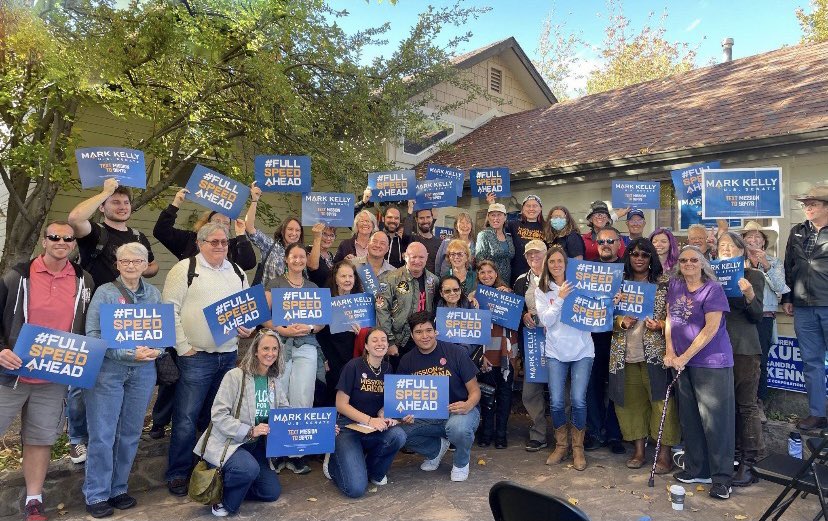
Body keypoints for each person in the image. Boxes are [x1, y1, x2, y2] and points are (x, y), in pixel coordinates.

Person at [0, 221, 93, 521]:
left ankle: (34, 500)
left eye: (68, 238)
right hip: (11, 372)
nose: (61, 242)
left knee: (39, 439)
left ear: (73, 244)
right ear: (44, 241)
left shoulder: (83, 280)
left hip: (53, 375)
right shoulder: (17, 276)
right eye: (54, 237)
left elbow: (87, 325)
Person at [67, 178, 158, 460]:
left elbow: (153, 265)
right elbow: (74, 218)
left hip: (130, 315)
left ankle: (114, 431)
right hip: (96, 306)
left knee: (123, 372)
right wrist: (104, 190)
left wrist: (138, 269)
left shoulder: (139, 237)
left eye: (125, 202)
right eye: (114, 202)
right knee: (86, 373)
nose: (121, 206)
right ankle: (78, 437)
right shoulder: (95, 231)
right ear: (104, 207)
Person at [162, 223, 253, 497]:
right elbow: (169, 309)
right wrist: (182, 347)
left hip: (227, 357)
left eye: (224, 242)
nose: (220, 246)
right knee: (186, 418)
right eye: (214, 242)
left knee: (216, 417)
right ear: (200, 242)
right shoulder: (185, 269)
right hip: (195, 357)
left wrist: (246, 328)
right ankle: (178, 472)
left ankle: (208, 465)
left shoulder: (236, 271)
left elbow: (246, 309)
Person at [82, 243, 163, 518]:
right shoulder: (104, 293)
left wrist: (158, 350)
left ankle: (118, 488)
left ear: (145, 265)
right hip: (109, 371)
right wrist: (127, 352)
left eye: (136, 261)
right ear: (117, 265)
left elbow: (163, 333)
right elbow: (93, 333)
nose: (130, 265)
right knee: (103, 434)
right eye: (125, 261)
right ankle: (97, 493)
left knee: (129, 434)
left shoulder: (153, 294)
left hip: (142, 372)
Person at [664, 245, 735, 500]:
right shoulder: (675, 285)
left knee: (716, 422)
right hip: (683, 363)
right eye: (684, 260)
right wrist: (671, 351)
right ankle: (697, 469)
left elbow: (711, 328)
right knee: (690, 418)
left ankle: (723, 478)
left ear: (703, 263)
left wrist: (684, 356)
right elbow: (670, 319)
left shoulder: (713, 289)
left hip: (711, 362)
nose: (689, 264)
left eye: (694, 260)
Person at [194, 329, 289, 517]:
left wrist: (320, 428)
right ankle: (226, 502)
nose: (270, 353)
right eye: (265, 349)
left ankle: (236, 485)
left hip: (258, 448)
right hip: (232, 443)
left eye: (275, 349)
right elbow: (219, 415)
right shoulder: (235, 376)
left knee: (271, 492)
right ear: (255, 351)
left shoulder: (274, 380)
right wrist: (250, 431)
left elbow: (285, 411)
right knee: (247, 469)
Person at [608, 238, 677, 474]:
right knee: (630, 404)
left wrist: (661, 324)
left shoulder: (665, 283)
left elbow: (679, 317)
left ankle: (664, 454)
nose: (639, 258)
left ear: (651, 258)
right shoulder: (617, 283)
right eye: (634, 253)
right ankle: (639, 451)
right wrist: (619, 321)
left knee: (661, 404)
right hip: (623, 354)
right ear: (628, 256)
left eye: (645, 254)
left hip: (655, 354)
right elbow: (599, 314)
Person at [263, 242, 326, 474]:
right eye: (294, 257)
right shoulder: (275, 284)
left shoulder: (312, 286)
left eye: (302, 257)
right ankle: (278, 452)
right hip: (280, 347)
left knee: (303, 396)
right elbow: (263, 316)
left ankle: (297, 452)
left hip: (307, 347)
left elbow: (321, 321)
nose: (298, 260)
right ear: (286, 260)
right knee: (280, 397)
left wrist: (309, 328)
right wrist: (283, 330)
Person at [399, 311, 481, 482]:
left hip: (459, 412)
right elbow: (403, 399)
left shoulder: (456, 352)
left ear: (435, 331)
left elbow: (475, 391)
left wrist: (468, 405)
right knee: (398, 433)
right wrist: (404, 414)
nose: (425, 336)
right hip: (429, 416)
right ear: (412, 335)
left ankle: (460, 462)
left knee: (458, 428)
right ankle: (435, 450)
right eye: (419, 332)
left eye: (429, 330)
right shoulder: (407, 361)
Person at [326, 328, 407, 498]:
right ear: (366, 346)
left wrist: (385, 415)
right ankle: (333, 465)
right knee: (355, 489)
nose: (380, 343)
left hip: (372, 428)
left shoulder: (388, 368)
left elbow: (384, 403)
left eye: (383, 340)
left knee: (398, 435)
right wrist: (370, 420)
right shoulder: (353, 365)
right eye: (375, 340)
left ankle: (372, 472)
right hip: (347, 428)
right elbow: (340, 405)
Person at [535, 245, 594, 470]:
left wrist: (612, 297)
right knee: (557, 401)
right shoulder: (542, 289)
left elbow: (600, 302)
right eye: (552, 262)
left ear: (566, 264)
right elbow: (545, 321)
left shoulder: (581, 284)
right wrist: (559, 298)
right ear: (547, 265)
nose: (557, 265)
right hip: (556, 352)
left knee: (578, 400)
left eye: (560, 261)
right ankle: (561, 446)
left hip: (582, 350)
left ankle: (578, 449)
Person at [717, 231, 765, 487]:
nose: (726, 249)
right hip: (715, 348)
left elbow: (757, 315)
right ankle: (732, 457)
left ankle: (749, 461)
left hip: (744, 347)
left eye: (731, 246)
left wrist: (748, 295)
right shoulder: (711, 276)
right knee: (726, 405)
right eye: (722, 245)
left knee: (746, 405)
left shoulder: (753, 276)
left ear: (741, 251)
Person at [782, 185, 828, 431]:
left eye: (814, 204)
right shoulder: (797, 231)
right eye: (805, 204)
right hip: (802, 306)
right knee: (811, 362)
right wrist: (787, 298)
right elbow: (789, 267)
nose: (808, 208)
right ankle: (817, 413)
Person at [741, 221, 788, 420]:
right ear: (743, 241)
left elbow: (780, 287)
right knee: (740, 361)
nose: (753, 240)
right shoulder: (737, 261)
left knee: (760, 362)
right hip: (739, 316)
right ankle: (741, 402)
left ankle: (758, 402)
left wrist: (766, 266)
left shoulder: (774, 262)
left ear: (764, 242)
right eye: (749, 237)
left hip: (764, 316)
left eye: (757, 237)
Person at [584, 227, 625, 454]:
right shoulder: (587, 270)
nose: (606, 244)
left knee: (617, 387)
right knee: (593, 386)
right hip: (593, 336)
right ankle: (594, 431)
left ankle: (614, 434)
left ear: (619, 243)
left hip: (620, 337)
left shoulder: (628, 269)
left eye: (610, 240)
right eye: (601, 241)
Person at [152, 187, 257, 270]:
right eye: (217, 221)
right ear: (207, 223)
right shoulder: (190, 239)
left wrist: (241, 236)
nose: (220, 225)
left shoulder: (233, 244)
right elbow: (161, 231)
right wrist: (175, 205)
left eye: (225, 223)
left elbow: (249, 263)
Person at [375, 242, 439, 368]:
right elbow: (382, 310)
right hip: (399, 342)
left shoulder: (434, 280)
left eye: (421, 257)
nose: (417, 261)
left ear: (427, 257)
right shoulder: (390, 279)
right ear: (405, 256)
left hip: (425, 340)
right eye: (413, 256)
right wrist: (390, 341)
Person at [475, 261, 517, 449]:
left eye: (489, 272)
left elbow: (516, 320)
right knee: (486, 395)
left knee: (505, 394)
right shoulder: (473, 297)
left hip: (505, 353)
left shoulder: (508, 294)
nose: (486, 275)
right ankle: (486, 432)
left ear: (496, 273)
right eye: (482, 272)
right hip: (484, 354)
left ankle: (501, 433)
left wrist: (510, 297)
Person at [513, 239, 550, 452]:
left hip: (557, 342)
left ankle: (566, 435)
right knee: (530, 392)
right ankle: (539, 433)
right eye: (529, 255)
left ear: (546, 254)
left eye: (538, 254)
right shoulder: (521, 281)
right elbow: (515, 310)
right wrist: (523, 315)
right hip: (533, 344)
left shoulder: (558, 277)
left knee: (561, 390)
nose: (533, 258)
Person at [316, 260, 364, 405]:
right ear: (335, 278)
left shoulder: (362, 301)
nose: (347, 280)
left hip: (353, 356)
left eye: (350, 276)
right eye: (343, 276)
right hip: (331, 357)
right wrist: (323, 359)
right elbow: (320, 334)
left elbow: (369, 334)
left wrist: (362, 332)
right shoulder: (326, 301)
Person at [245, 184, 304, 287]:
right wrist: (254, 201)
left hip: (291, 301)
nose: (294, 233)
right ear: (283, 231)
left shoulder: (302, 252)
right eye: (290, 229)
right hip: (269, 299)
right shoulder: (270, 245)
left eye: (297, 230)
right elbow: (249, 228)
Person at [487, 193, 546, 284]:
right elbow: (496, 222)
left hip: (540, 275)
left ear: (540, 208)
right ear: (522, 208)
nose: (531, 209)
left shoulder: (547, 227)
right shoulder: (513, 225)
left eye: (535, 206)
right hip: (516, 276)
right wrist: (492, 205)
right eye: (528, 206)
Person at [475, 203, 515, 284]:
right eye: (493, 215)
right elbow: (480, 262)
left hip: (507, 283)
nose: (496, 218)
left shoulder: (509, 237)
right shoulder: (483, 235)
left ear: (505, 217)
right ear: (488, 218)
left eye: (499, 215)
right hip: (489, 283)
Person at [435, 211, 476, 278]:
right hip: (446, 282)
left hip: (467, 284)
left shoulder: (475, 246)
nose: (465, 225)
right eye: (462, 222)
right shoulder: (446, 243)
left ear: (471, 226)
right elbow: (437, 264)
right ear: (456, 226)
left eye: (468, 223)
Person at [407, 207, 442, 274]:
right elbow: (406, 233)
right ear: (416, 220)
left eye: (428, 217)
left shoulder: (440, 243)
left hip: (434, 282)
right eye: (421, 218)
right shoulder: (412, 240)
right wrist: (410, 210)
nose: (425, 221)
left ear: (432, 218)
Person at [305, 223, 338, 287]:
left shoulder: (330, 254)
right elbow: (313, 266)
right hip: (317, 294)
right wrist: (317, 238)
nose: (328, 238)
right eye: (324, 234)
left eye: (332, 235)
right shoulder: (308, 250)